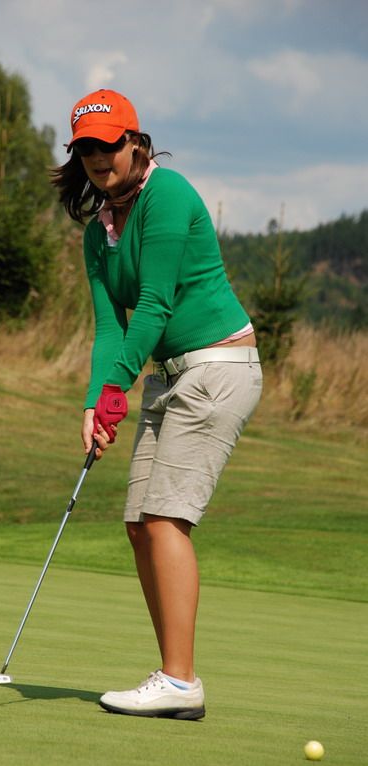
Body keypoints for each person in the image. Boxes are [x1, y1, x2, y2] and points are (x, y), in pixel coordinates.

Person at [51, 89, 262, 720]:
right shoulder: (98, 233)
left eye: (108, 145)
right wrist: (94, 402)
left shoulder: (167, 196)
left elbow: (154, 306)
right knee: (140, 524)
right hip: (168, 377)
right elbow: (109, 329)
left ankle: (180, 681)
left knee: (166, 518)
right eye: (85, 148)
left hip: (217, 370)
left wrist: (116, 389)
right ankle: (175, 675)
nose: (97, 158)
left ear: (135, 143)